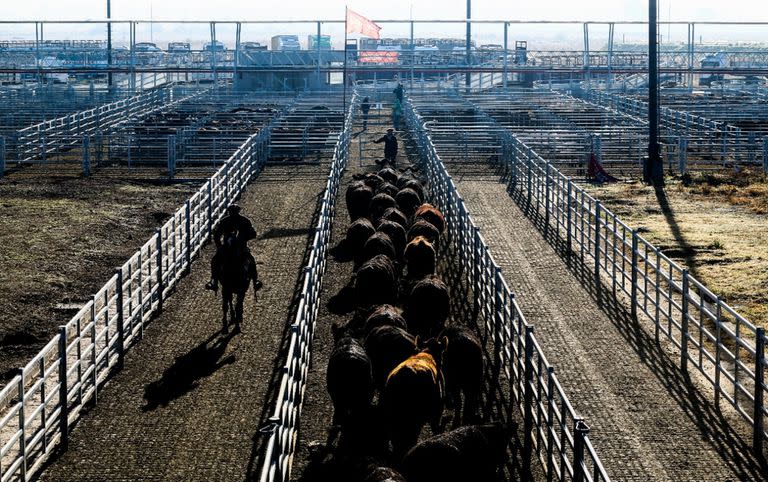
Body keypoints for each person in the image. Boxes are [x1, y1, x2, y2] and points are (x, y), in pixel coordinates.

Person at [205, 204, 262, 292]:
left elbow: (253, 234)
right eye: (232, 212)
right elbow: (217, 235)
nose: (233, 213)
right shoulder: (227, 221)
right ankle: (214, 281)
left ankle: (255, 281)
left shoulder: (243, 221)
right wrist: (219, 246)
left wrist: (244, 238)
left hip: (241, 246)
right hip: (227, 246)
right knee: (215, 260)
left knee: (251, 260)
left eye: (234, 212)